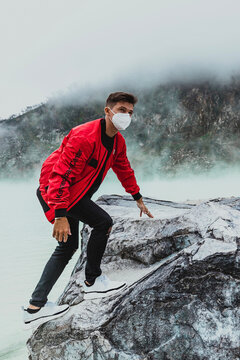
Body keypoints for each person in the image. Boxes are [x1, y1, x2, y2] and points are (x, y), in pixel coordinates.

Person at [21, 91, 154, 327]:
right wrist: (60, 214)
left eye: (130, 112)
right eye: (122, 110)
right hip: (55, 190)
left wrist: (137, 196)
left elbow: (123, 168)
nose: (127, 116)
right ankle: (92, 283)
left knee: (67, 246)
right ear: (108, 111)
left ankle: (35, 307)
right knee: (103, 222)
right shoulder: (83, 136)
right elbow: (61, 175)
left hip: (70, 194)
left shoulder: (117, 142)